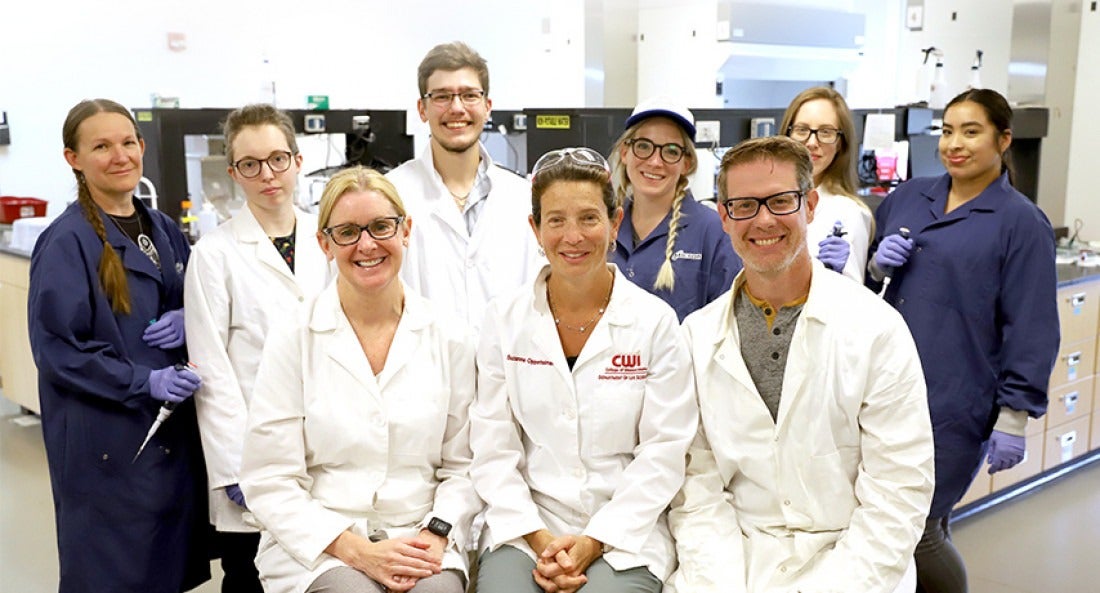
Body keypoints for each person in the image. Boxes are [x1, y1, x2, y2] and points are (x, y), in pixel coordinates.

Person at [668, 136, 934, 593]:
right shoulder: (696, 336)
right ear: (725, 217)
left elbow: (898, 492)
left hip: (851, 560)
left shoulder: (876, 330)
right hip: (737, 557)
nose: (764, 219)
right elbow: (696, 488)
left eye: (781, 201)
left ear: (810, 205)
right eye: (745, 205)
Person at [239, 166, 479, 593]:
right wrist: (355, 550)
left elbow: (463, 465)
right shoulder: (294, 337)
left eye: (381, 227)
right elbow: (270, 477)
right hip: (321, 540)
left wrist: (435, 533)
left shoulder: (451, 335)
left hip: (421, 531)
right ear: (325, 244)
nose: (366, 244)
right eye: (347, 232)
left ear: (405, 230)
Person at [471, 148, 698, 593]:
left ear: (614, 224)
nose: (572, 235)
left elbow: (663, 452)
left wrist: (593, 542)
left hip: (625, 531)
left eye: (588, 218)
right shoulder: (504, 321)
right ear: (535, 229)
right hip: (526, 527)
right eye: (555, 220)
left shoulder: (654, 323)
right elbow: (493, 449)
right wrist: (540, 539)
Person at [867, 88, 1060, 593]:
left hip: (955, 406)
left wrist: (1014, 416)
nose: (954, 143)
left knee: (916, 531)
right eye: (947, 131)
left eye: (971, 132)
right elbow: (869, 288)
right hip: (883, 393)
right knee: (901, 524)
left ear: (1003, 140)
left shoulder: (1020, 223)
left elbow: (1032, 326)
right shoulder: (909, 197)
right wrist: (873, 264)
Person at [28, 99, 209, 592]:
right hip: (107, 444)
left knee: (164, 569)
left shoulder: (163, 229)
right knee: (113, 573)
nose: (119, 155)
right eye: (101, 146)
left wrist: (189, 315)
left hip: (167, 442)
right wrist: (143, 379)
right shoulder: (68, 242)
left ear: (142, 147)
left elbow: (201, 298)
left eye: (127, 142)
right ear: (74, 159)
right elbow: (58, 351)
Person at [184, 104, 331, 593]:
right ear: (233, 173)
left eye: (277, 159)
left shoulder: (330, 239)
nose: (267, 174)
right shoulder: (214, 253)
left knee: (317, 572)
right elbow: (212, 370)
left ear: (297, 160)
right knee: (250, 576)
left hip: (326, 447)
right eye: (250, 164)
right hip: (250, 454)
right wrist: (233, 468)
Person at [387, 41, 540, 331]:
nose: (457, 108)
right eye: (442, 96)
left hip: (506, 371)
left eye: (469, 95)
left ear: (487, 107)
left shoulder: (522, 198)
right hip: (423, 369)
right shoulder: (391, 195)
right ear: (422, 109)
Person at [609, 97, 741, 321]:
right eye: (643, 146)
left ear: (686, 163)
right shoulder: (605, 224)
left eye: (670, 151)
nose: (655, 162)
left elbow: (727, 323)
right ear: (625, 152)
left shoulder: (714, 231)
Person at [779, 86, 873, 282]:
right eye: (802, 130)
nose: (812, 142)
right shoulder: (769, 201)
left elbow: (853, 298)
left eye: (826, 132)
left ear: (840, 143)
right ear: (787, 136)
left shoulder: (849, 213)